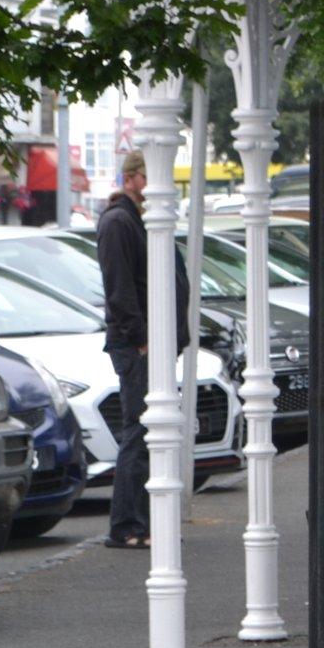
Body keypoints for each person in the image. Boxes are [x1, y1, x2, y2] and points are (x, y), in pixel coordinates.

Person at [95, 150, 190, 550]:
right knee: (140, 431)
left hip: (155, 340)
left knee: (153, 431)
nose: (156, 185)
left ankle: (146, 523)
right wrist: (141, 337)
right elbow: (120, 288)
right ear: (132, 178)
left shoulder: (143, 220)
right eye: (150, 176)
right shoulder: (119, 222)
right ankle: (127, 526)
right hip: (139, 344)